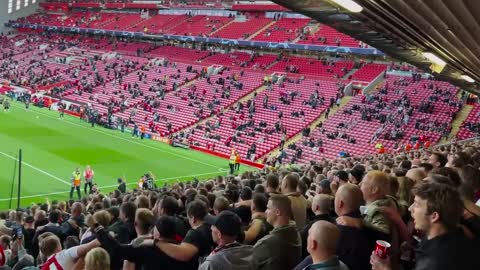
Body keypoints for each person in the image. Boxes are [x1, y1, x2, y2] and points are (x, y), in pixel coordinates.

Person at [370, 182, 479, 270]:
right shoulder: (459, 232)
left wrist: (384, 269)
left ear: (434, 216)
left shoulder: (434, 262)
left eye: (417, 204)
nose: (410, 208)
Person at [155, 200, 214, 268]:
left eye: (188, 218)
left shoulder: (194, 233)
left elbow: (182, 254)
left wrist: (157, 243)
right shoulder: (210, 226)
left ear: (193, 218)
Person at [253, 194, 301, 270]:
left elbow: (248, 262)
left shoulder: (267, 243)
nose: (265, 211)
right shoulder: (296, 232)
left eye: (268, 208)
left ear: (278, 212)